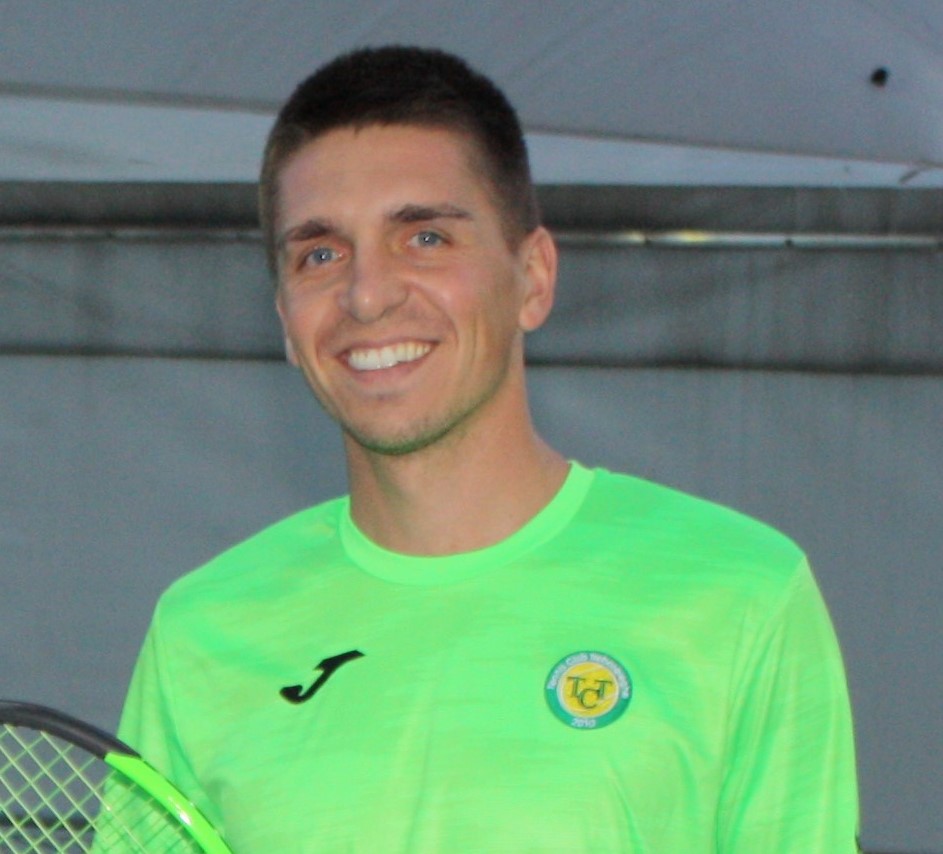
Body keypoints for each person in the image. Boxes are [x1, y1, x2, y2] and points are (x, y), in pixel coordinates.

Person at [118, 46, 859, 852]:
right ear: (285, 322)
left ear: (532, 278)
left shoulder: (741, 594)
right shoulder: (199, 631)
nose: (367, 295)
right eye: (320, 254)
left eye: (425, 237)